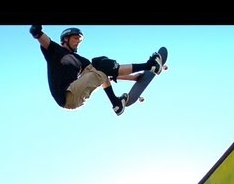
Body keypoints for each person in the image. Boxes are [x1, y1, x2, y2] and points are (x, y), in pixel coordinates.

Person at [29, 25, 164, 116]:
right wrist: (36, 29)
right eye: (76, 39)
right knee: (99, 67)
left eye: (80, 40)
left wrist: (133, 78)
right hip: (67, 96)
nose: (78, 42)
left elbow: (107, 74)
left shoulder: (81, 61)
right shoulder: (55, 51)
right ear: (66, 39)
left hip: (75, 92)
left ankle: (116, 104)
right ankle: (150, 65)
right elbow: (39, 35)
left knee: (99, 63)